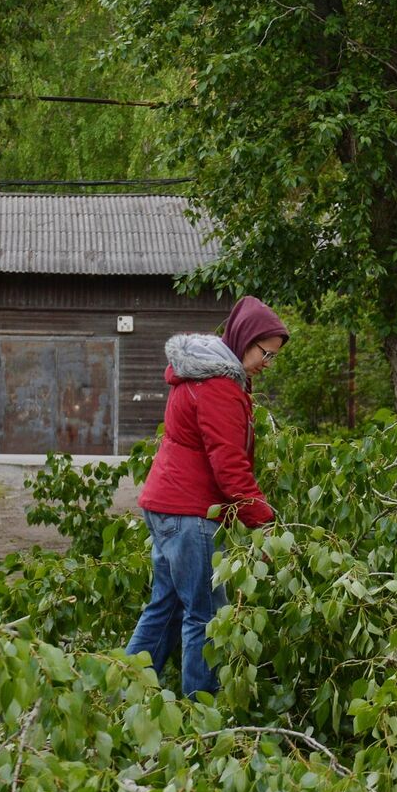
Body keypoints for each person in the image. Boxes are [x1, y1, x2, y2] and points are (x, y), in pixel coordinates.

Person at [124, 295, 288, 698]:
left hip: (167, 506)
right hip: (189, 512)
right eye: (265, 354)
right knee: (205, 615)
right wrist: (265, 521)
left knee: (165, 608)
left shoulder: (205, 376)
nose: (267, 364)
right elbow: (229, 465)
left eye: (273, 357)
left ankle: (120, 695)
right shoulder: (218, 386)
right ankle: (203, 716)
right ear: (245, 340)